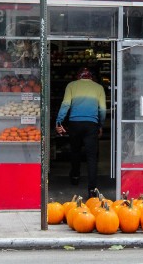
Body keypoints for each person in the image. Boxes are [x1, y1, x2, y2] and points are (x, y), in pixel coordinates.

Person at [55, 67, 106, 197]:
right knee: (91, 156)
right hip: (91, 124)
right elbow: (103, 110)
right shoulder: (99, 88)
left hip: (75, 123)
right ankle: (92, 189)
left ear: (78, 77)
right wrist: (100, 125)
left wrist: (59, 121)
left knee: (75, 151)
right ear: (91, 77)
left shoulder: (71, 85)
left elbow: (65, 104)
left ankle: (75, 177)